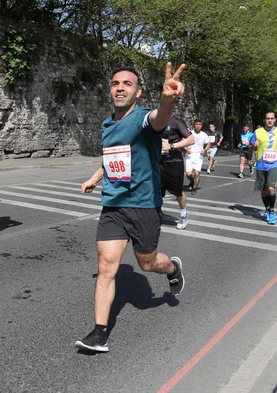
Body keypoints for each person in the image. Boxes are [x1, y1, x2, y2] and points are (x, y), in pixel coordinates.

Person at [75, 63, 186, 353]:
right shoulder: (107, 124)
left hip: (144, 206)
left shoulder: (141, 119)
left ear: (138, 92)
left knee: (147, 263)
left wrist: (168, 99)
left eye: (127, 83)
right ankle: (100, 334)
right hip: (114, 205)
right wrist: (94, 179)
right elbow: (111, 157)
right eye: (115, 83)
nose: (120, 87)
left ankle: (173, 268)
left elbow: (159, 118)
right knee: (105, 266)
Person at [250, 112, 277, 225]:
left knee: (271, 188)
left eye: (272, 118)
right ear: (264, 120)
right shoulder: (257, 132)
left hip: (275, 163)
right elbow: (250, 147)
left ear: (275, 119)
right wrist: (254, 145)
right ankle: (267, 209)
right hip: (261, 163)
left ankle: (272, 211)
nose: (270, 120)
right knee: (263, 191)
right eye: (267, 119)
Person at [159, 115, 194, 229]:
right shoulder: (155, 119)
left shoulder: (176, 122)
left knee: (178, 192)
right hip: (158, 160)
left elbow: (191, 139)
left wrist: (172, 146)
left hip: (174, 161)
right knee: (156, 190)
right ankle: (156, 213)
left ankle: (183, 214)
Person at [185, 120, 210, 195]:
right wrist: (186, 148)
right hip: (189, 155)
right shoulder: (189, 133)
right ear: (194, 125)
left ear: (201, 125)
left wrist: (204, 150)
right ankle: (192, 181)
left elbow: (208, 144)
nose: (198, 125)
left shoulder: (204, 135)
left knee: (196, 173)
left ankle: (194, 188)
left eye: (200, 124)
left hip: (199, 155)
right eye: (196, 124)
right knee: (188, 174)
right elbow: (183, 141)